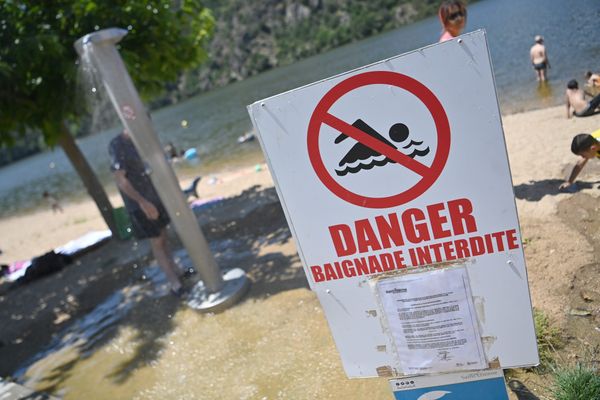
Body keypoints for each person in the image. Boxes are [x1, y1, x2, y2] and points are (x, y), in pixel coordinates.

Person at [109, 130, 186, 295]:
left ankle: (177, 270)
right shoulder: (118, 145)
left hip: (156, 197)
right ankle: (175, 283)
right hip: (140, 204)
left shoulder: (143, 137)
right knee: (157, 241)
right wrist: (142, 202)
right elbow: (121, 180)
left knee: (164, 235)